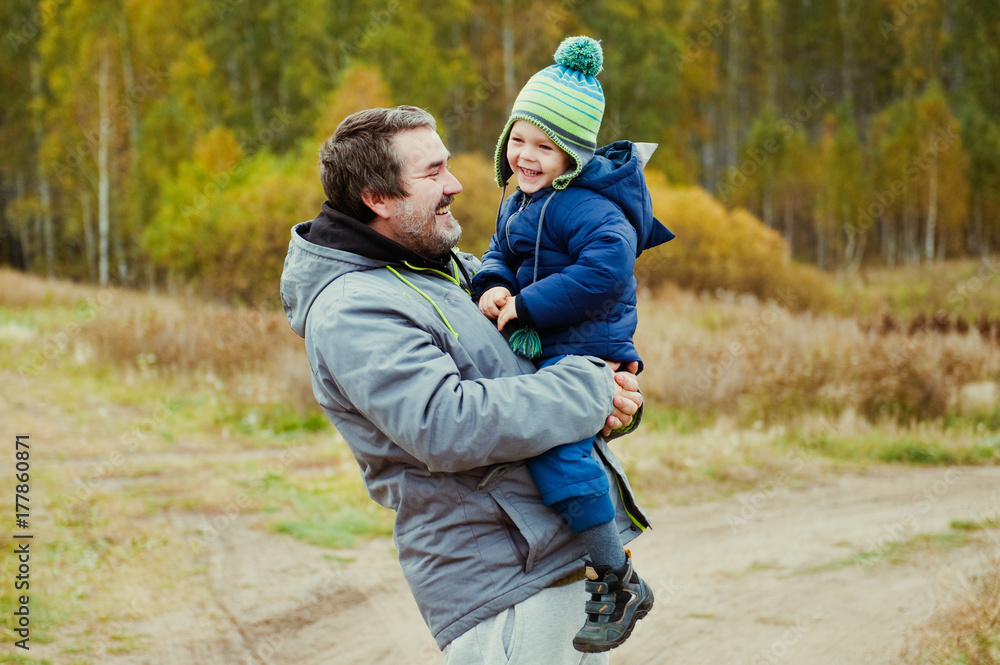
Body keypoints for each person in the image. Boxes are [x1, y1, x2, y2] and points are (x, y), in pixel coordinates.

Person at [279, 104, 649, 664]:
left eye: (446, 165)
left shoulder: (449, 272)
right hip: (504, 589)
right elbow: (449, 425)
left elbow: (540, 373)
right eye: (432, 173)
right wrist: (591, 390)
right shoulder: (355, 308)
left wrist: (614, 398)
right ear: (376, 199)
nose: (455, 184)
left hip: (552, 566)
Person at [472, 36, 674, 652]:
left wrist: (527, 305)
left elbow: (604, 275)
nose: (527, 156)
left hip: (588, 347)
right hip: (554, 348)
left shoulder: (591, 208)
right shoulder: (523, 203)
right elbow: (500, 252)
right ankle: (598, 563)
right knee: (550, 450)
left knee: (556, 453)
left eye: (545, 145)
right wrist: (491, 285)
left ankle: (616, 575)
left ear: (574, 154)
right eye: (519, 140)